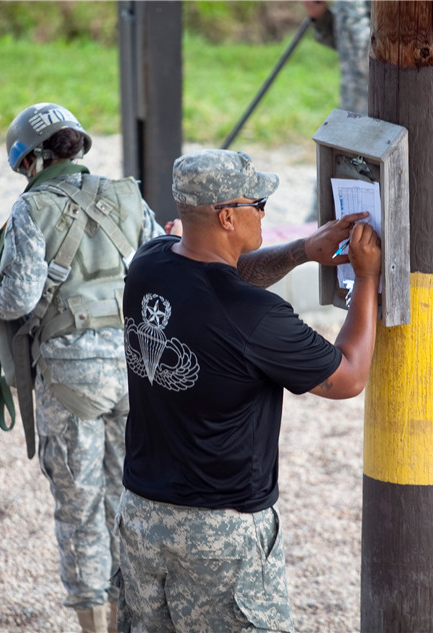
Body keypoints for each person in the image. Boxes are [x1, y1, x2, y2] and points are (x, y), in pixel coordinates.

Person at [116, 149, 382, 632]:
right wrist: (366, 277)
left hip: (140, 515)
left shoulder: (148, 264)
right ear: (227, 216)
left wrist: (302, 250)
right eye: (257, 202)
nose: (264, 211)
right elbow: (349, 376)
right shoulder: (255, 316)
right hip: (217, 532)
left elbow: (218, 273)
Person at [0, 102, 169, 633]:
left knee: (80, 508)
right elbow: (158, 265)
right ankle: (134, 615)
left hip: (71, 379)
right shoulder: (128, 197)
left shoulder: (30, 209)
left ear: (31, 161)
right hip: (137, 369)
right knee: (129, 499)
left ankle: (95, 622)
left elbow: (18, 299)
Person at [303, 0, 371, 115]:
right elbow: (345, 46)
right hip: (351, 106)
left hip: (387, 112)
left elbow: (364, 54)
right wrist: (321, 16)